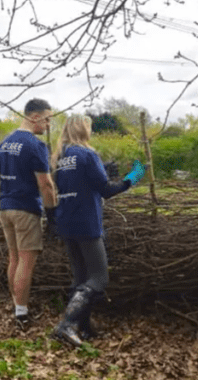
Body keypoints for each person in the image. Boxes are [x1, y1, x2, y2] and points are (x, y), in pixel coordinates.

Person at [49, 114, 144, 347]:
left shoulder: (58, 158)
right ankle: (66, 325)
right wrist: (131, 179)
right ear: (84, 130)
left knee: (81, 277)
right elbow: (105, 190)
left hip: (66, 222)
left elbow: (79, 184)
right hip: (86, 222)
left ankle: (83, 326)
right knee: (99, 278)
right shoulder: (87, 154)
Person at [0, 98, 58, 326]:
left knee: (13, 257)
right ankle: (21, 313)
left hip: (5, 207)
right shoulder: (35, 145)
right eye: (48, 119)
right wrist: (52, 214)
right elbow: (46, 184)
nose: (49, 125)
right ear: (35, 117)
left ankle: (16, 303)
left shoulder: (4, 144)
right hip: (25, 208)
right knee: (26, 261)